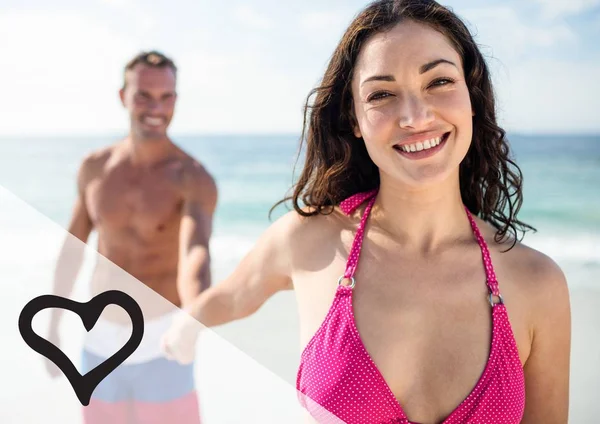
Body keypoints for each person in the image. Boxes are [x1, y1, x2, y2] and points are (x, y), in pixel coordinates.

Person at [161, 1, 571, 423]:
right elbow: (232, 296)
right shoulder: (309, 241)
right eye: (382, 94)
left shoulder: (537, 283)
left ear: (471, 96)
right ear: (354, 118)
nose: (415, 116)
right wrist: (184, 326)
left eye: (439, 81)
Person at [46, 51, 217, 424]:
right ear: (124, 96)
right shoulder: (95, 168)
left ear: (176, 100)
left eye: (166, 96)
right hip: (99, 342)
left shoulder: (192, 177)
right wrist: (54, 323)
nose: (156, 107)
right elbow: (72, 250)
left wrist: (192, 320)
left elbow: (196, 254)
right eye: (144, 95)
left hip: (162, 342)